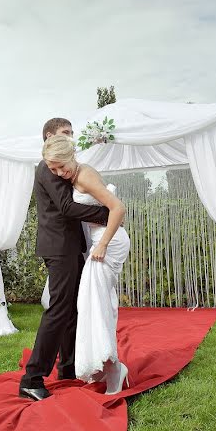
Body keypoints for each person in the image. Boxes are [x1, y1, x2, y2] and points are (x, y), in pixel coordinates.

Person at [19, 119, 111, 401]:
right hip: (59, 247)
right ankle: (31, 378)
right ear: (49, 136)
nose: (71, 138)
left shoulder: (60, 165)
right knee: (59, 310)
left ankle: (67, 368)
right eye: (66, 133)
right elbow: (67, 207)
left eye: (71, 133)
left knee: (71, 308)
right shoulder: (47, 167)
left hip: (68, 246)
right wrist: (108, 215)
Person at [43, 134, 131, 394]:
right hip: (98, 244)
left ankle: (115, 369)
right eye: (53, 169)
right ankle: (105, 365)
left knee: (98, 306)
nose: (59, 173)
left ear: (72, 157)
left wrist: (102, 244)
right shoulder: (74, 176)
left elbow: (118, 208)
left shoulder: (84, 176)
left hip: (107, 244)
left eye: (62, 166)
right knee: (92, 304)